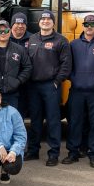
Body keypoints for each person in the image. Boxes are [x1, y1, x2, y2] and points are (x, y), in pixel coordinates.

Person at [63, 15, 94, 168]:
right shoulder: (74, 44)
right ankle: (73, 152)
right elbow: (68, 66)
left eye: (92, 24)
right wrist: (74, 79)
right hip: (77, 91)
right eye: (87, 24)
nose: (89, 27)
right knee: (74, 122)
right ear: (83, 26)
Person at [25, 10, 72, 164]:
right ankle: (33, 151)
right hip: (33, 86)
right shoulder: (32, 39)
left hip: (51, 85)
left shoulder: (61, 41)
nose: (45, 21)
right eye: (43, 19)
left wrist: (57, 81)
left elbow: (66, 65)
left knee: (53, 121)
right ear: (39, 22)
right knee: (35, 120)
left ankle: (53, 154)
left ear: (53, 22)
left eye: (48, 19)